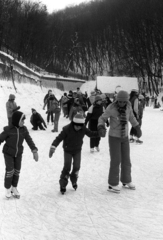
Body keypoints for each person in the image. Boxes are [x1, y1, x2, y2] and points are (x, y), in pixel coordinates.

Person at [97, 90, 142, 194]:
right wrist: (100, 126)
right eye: (120, 101)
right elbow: (102, 118)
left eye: (124, 102)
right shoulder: (111, 108)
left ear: (126, 101)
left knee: (126, 160)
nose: (121, 103)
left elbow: (132, 118)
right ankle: (112, 183)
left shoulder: (128, 107)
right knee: (116, 160)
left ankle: (126, 180)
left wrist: (137, 127)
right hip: (114, 137)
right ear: (117, 100)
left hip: (124, 137)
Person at [49, 113, 100, 194]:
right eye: (76, 126)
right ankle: (63, 184)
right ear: (73, 124)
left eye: (80, 126)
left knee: (77, 166)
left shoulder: (83, 128)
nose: (78, 128)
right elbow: (59, 138)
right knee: (67, 167)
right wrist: (53, 147)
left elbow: (90, 134)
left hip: (77, 150)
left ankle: (74, 180)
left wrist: (99, 133)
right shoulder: (67, 129)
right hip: (67, 150)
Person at [0, 111, 38, 199]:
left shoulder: (24, 130)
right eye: (22, 120)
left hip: (18, 154)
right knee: (10, 171)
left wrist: (34, 150)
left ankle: (14, 187)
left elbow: (29, 140)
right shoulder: (8, 130)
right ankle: (8, 188)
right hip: (8, 153)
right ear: (17, 120)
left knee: (17, 171)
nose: (24, 122)